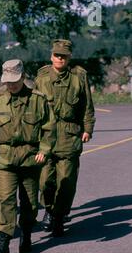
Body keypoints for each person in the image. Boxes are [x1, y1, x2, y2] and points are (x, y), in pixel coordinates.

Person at [0, 59, 55, 253]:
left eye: (15, 80)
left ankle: (27, 233)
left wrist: (44, 149)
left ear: (23, 77)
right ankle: (2, 243)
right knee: (5, 199)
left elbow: (49, 128)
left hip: (30, 158)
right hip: (4, 158)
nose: (11, 85)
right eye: (7, 81)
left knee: (30, 202)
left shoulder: (38, 100)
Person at [35, 39, 95, 236]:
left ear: (69, 57)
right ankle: (50, 210)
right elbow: (33, 105)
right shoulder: (42, 77)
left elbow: (87, 105)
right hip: (46, 136)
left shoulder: (79, 77)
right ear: (51, 56)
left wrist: (87, 128)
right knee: (45, 181)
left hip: (69, 136)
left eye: (64, 56)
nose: (60, 58)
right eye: (56, 55)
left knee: (66, 181)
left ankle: (59, 217)